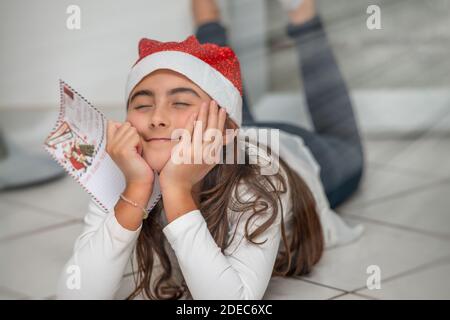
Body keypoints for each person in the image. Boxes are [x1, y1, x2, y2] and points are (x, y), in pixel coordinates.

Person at [57, 0, 364, 300]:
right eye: (142, 105)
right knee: (218, 88)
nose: (157, 118)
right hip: (232, 135)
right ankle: (208, 15)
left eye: (179, 103)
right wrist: (135, 190)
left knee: (347, 147)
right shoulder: (124, 171)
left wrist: (176, 189)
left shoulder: (258, 186)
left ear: (226, 128)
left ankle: (303, 18)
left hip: (297, 156)